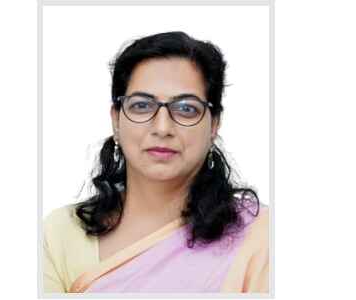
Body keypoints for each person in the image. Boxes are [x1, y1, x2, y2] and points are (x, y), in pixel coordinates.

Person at [43, 31, 269, 294]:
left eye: (186, 108)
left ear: (214, 125)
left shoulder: (261, 237)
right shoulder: (60, 234)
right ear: (116, 119)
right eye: (141, 105)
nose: (162, 128)